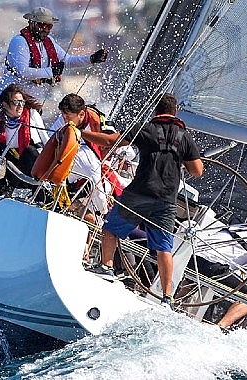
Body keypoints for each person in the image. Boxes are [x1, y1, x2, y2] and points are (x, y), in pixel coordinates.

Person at [78, 93, 204, 307]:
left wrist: (82, 133)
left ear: (156, 111)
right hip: (166, 200)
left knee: (111, 227)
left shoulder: (147, 129)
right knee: (164, 248)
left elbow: (112, 141)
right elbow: (197, 171)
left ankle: (106, 267)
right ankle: (167, 297)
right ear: (175, 112)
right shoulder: (185, 137)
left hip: (139, 193)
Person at [0, 7, 108, 100]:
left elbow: (67, 61)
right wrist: (51, 71)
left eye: (49, 26)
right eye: (41, 25)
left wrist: (92, 59)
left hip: (31, 101)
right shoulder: (19, 41)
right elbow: (22, 72)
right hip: (10, 100)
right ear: (31, 23)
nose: (45, 29)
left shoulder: (49, 41)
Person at [49, 94, 117, 222]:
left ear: (81, 114)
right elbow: (49, 139)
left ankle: (104, 215)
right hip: (73, 164)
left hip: (98, 164)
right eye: (63, 116)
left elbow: (111, 143)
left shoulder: (99, 123)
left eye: (68, 117)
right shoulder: (64, 118)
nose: (64, 119)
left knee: (98, 187)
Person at [0, 83, 49, 196]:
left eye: (22, 102)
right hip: (9, 169)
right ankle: (2, 186)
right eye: (16, 102)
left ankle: (22, 190)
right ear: (5, 105)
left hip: (29, 171)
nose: (20, 106)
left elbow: (46, 140)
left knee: (30, 151)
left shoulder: (32, 114)